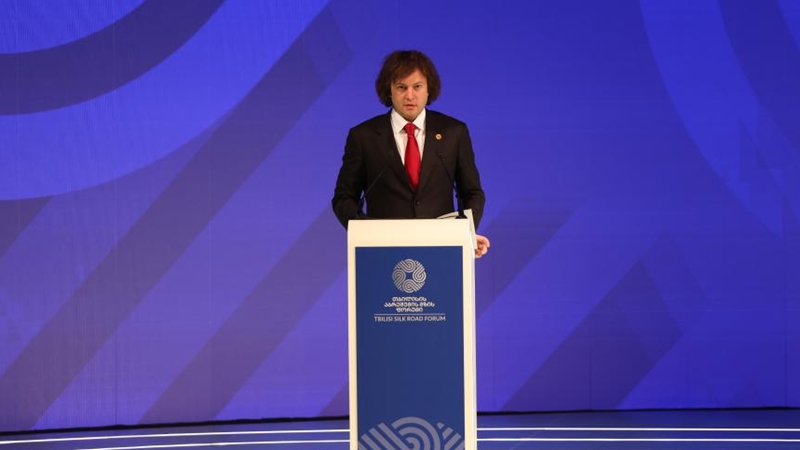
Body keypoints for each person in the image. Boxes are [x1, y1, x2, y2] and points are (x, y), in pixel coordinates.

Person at [332, 50, 490, 258]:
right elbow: (343, 198)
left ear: (428, 89)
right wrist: (365, 234)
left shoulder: (454, 132)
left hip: (441, 251)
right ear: (389, 90)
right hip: (383, 253)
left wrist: (465, 236)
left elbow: (472, 193)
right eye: (401, 87)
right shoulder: (364, 136)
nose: (410, 96)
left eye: (417, 87)